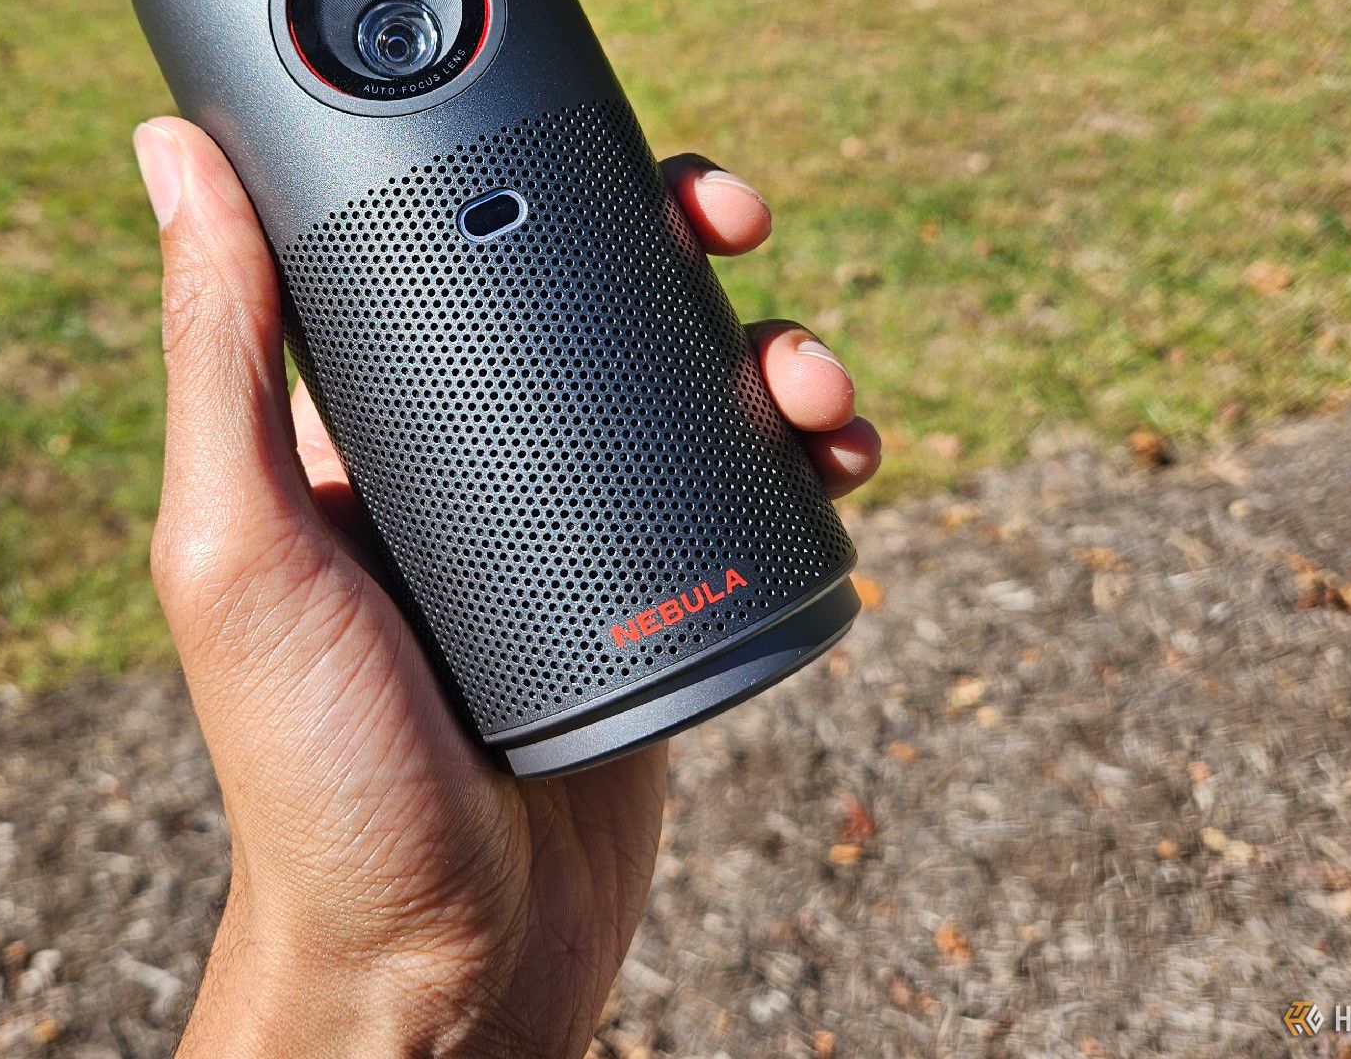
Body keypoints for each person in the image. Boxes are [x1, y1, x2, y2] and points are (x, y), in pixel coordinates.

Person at [131, 117, 882, 1057]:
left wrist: (388, 982)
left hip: (734, 604)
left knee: (649, 226)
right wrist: (381, 965)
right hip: (538, 690)